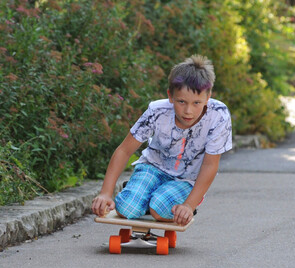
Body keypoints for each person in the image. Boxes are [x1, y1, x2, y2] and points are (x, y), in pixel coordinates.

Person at [92, 54, 232, 225]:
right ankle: (141, 192)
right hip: (153, 168)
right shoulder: (157, 111)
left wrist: (189, 205)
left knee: (159, 209)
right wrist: (106, 192)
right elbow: (124, 150)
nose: (188, 111)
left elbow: (210, 164)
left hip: (186, 179)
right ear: (170, 96)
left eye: (196, 103)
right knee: (126, 208)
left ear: (208, 97)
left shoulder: (218, 115)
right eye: (181, 101)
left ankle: (158, 198)